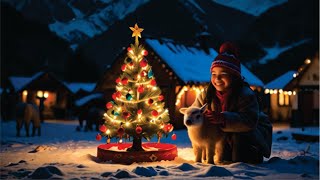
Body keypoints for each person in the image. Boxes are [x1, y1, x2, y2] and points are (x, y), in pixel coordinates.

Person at [191, 42, 272, 164]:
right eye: (214, 74)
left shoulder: (245, 94)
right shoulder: (206, 94)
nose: (217, 79)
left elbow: (249, 120)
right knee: (221, 154)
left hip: (246, 138)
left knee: (238, 141)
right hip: (220, 138)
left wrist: (223, 118)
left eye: (223, 74)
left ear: (234, 77)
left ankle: (247, 160)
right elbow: (194, 111)